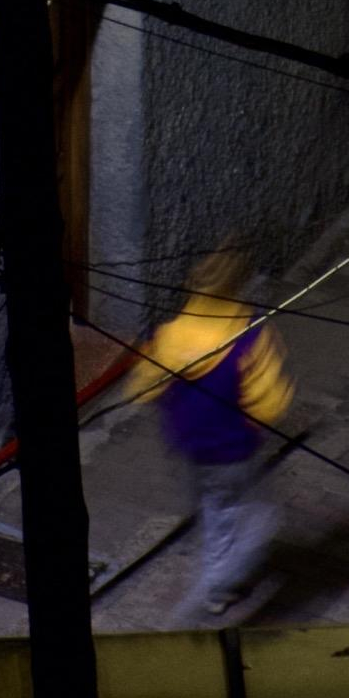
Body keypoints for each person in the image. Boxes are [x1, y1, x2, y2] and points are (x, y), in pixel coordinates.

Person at [130, 244, 293, 619]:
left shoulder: (171, 334)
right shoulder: (249, 336)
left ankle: (212, 569)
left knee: (211, 508)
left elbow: (144, 386)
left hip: (188, 445)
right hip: (233, 449)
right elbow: (270, 402)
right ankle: (212, 591)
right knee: (256, 518)